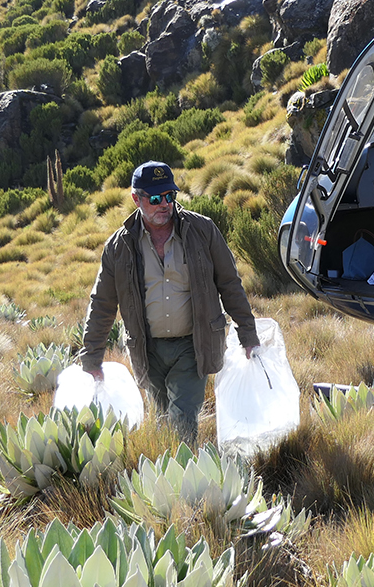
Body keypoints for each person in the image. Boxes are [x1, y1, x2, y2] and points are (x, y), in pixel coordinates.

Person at [80, 160, 259, 444]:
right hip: (147, 349)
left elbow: (229, 283)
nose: (164, 204)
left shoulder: (203, 231)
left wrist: (247, 333)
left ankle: (186, 476)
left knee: (182, 417)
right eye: (155, 198)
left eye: (169, 196)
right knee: (162, 419)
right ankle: (167, 478)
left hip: (194, 344)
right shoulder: (119, 246)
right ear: (136, 199)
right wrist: (91, 356)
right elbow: (102, 302)